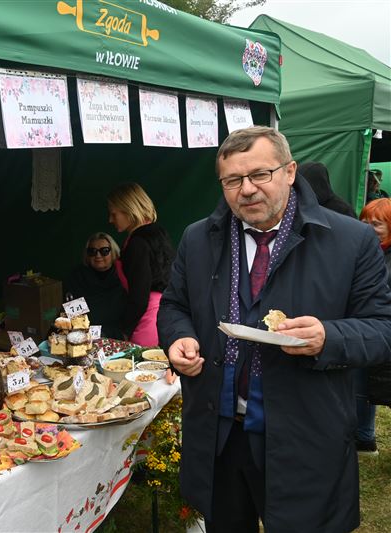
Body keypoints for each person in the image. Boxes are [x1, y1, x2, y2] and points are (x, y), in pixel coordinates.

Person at [157, 126, 391, 532]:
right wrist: (179, 336)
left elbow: (382, 329)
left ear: (290, 172)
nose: (247, 189)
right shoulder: (199, 239)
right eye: (233, 180)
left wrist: (328, 337)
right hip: (220, 436)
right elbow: (174, 305)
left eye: (260, 174)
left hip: (305, 436)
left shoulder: (349, 240)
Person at [107, 183, 174, 346]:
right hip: (166, 314)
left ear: (129, 209)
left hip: (148, 320)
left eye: (114, 214)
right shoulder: (158, 232)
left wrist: (124, 330)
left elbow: (139, 296)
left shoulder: (137, 243)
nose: (110, 220)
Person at [355, 198, 391, 454]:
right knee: (364, 385)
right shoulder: (364, 252)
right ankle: (365, 436)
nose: (368, 229)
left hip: (383, 332)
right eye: (365, 222)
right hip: (368, 331)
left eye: (376, 224)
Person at [64, 232, 125, 339]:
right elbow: (75, 314)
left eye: (104, 251)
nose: (98, 255)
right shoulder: (77, 277)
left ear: (113, 252)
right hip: (86, 334)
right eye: (92, 251)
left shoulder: (123, 276)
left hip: (118, 333)